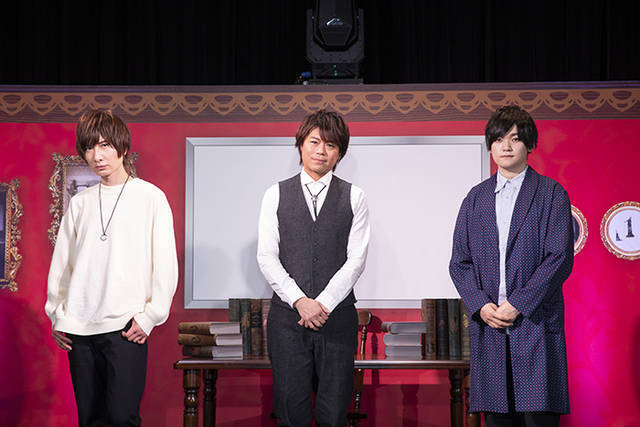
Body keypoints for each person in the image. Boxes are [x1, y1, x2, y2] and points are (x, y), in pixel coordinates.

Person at [45, 109, 178, 427]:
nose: (97, 156)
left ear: (123, 147)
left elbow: (165, 264)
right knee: (90, 419)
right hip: (79, 327)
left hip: (126, 326)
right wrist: (57, 313)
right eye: (89, 147)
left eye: (105, 145)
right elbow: (63, 263)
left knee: (122, 418)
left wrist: (150, 316)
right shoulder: (80, 203)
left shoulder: (150, 197)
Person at [449, 105, 573, 427]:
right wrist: (481, 305)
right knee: (497, 420)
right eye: (498, 139)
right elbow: (459, 262)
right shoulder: (475, 199)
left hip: (535, 323)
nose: (505, 146)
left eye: (514, 139)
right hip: (490, 327)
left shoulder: (551, 194)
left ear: (529, 145)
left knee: (538, 419)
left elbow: (558, 258)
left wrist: (518, 303)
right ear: (490, 146)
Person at [257, 109, 370, 426]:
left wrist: (324, 303)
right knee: (290, 414)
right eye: (315, 142)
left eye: (331, 145)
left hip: (338, 319)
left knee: (333, 415)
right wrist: (300, 301)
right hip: (287, 320)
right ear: (301, 144)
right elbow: (267, 256)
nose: (321, 151)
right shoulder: (275, 194)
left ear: (340, 153)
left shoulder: (355, 197)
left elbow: (356, 260)